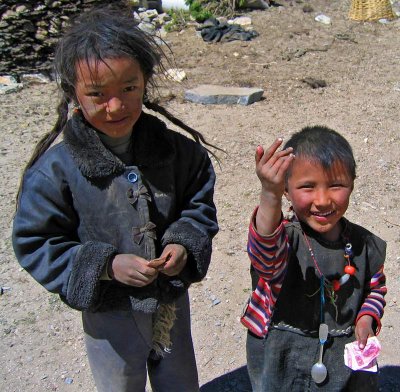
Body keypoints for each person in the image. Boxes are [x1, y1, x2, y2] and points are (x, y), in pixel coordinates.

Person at [12, 6, 220, 392]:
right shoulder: (56, 171)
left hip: (170, 302)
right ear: (73, 92)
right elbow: (36, 241)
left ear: (146, 81)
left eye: (129, 88)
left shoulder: (179, 152)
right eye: (97, 94)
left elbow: (198, 204)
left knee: (180, 383)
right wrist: (105, 264)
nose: (116, 106)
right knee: (119, 384)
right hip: (108, 310)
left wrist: (183, 244)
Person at [241, 126, 387, 391]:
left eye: (336, 185)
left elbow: (375, 289)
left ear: (352, 184)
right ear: (286, 190)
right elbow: (265, 257)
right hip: (281, 351)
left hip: (340, 353)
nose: (322, 200)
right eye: (307, 187)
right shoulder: (283, 238)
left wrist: (366, 317)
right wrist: (269, 194)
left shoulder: (364, 246)